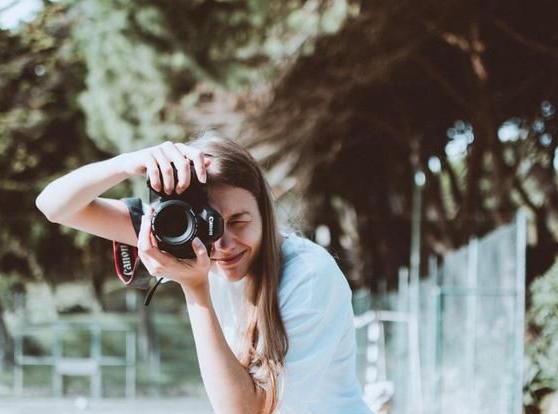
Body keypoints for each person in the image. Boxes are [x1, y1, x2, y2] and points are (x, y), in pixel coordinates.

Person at [36, 132, 372, 414]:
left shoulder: (309, 276)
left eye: (239, 222)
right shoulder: (183, 236)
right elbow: (54, 206)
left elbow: (248, 411)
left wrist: (196, 291)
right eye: (208, 226)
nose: (223, 244)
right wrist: (127, 163)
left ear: (266, 214)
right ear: (185, 221)